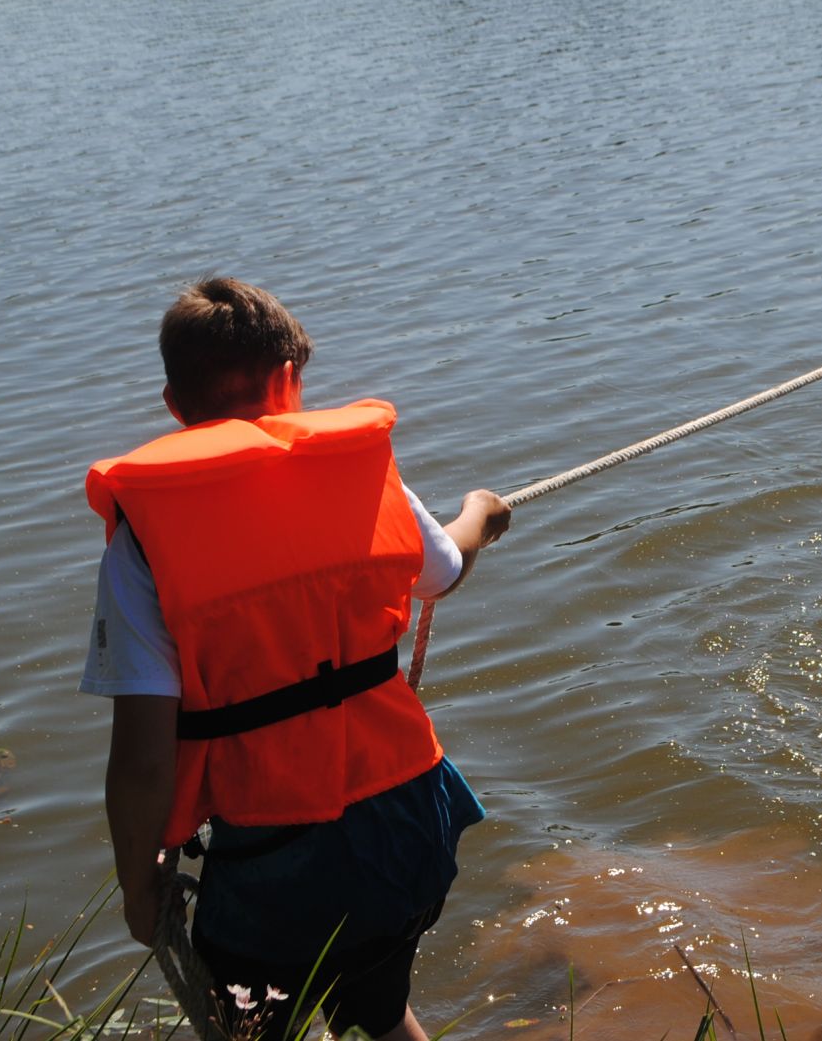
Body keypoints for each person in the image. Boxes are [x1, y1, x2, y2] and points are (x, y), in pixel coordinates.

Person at [79, 277, 511, 1041]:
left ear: (176, 406)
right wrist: (481, 511)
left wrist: (138, 889)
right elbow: (444, 566)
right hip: (409, 823)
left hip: (274, 858)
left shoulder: (144, 539)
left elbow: (143, 758)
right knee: (374, 995)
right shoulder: (355, 468)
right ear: (291, 383)